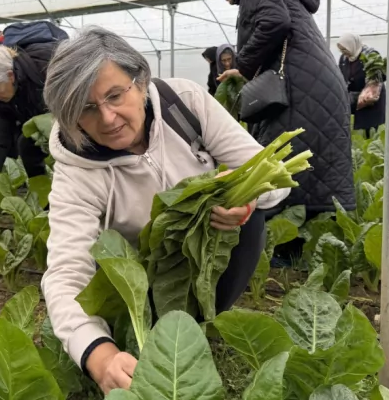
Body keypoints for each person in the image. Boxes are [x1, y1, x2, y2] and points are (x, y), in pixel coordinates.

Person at [40, 27, 290, 394]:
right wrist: (100, 355)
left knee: (251, 224)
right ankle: (152, 333)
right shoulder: (76, 170)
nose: (108, 118)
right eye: (87, 109)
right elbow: (65, 274)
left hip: (200, 262)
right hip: (143, 288)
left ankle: (207, 318)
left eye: (114, 95)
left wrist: (247, 198)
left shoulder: (185, 103)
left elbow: (276, 178)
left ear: (140, 82)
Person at [203, 0, 355, 218]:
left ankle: (286, 233)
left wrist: (245, 64)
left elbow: (275, 21)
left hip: (299, 85)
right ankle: (315, 226)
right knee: (313, 155)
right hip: (312, 81)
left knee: (281, 153)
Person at [0, 42, 53, 187]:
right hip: (37, 118)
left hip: (67, 115)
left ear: (11, 76)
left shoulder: (44, 67)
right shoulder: (0, 97)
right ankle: (44, 200)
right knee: (26, 145)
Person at [337, 34, 387, 135]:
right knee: (358, 128)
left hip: (370, 99)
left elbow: (381, 76)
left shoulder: (370, 54)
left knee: (371, 127)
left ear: (352, 45)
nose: (343, 52)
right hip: (356, 98)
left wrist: (370, 88)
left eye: (345, 49)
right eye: (341, 50)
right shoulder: (344, 59)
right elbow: (342, 76)